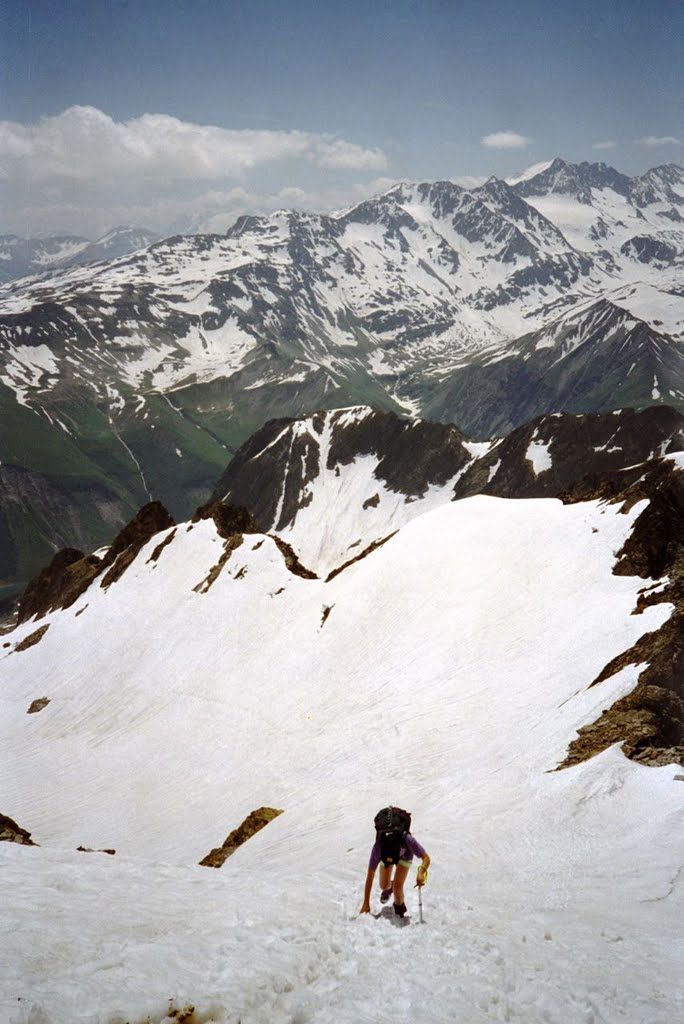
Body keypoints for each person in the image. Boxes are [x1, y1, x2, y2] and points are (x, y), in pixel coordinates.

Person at [360, 811, 430, 917]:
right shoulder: (379, 846)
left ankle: (400, 909)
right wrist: (365, 904)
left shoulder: (407, 839)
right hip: (387, 857)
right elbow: (370, 876)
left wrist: (421, 871)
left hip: (405, 855)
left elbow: (426, 858)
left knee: (398, 888)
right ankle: (389, 887)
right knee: (384, 885)